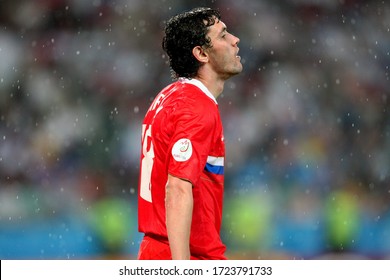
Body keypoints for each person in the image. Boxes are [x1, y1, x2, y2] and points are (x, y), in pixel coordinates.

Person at [137, 7, 242, 260]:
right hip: (187, 256)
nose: (235, 40)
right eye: (223, 35)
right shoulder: (196, 106)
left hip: (156, 250)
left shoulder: (168, 96)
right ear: (201, 53)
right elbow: (177, 189)